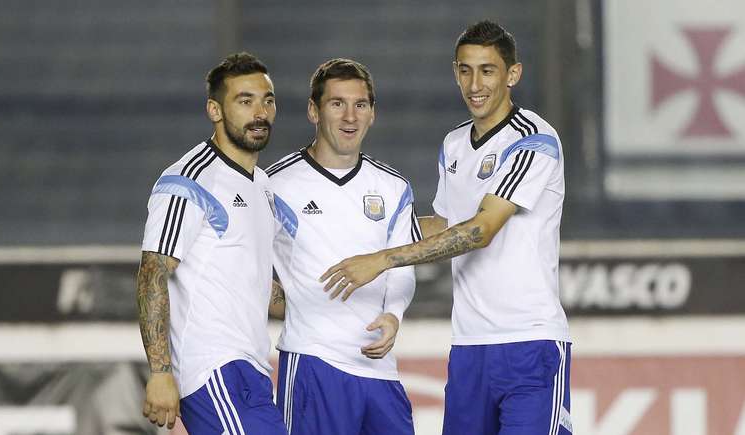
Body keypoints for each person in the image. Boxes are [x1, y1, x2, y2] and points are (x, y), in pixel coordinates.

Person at [321, 20, 573, 435]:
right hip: (469, 348)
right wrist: (355, 234)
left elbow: (480, 230)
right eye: (465, 70)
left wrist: (382, 259)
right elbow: (443, 223)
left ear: (513, 75)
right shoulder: (454, 144)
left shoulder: (534, 140)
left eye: (487, 70)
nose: (474, 83)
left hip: (530, 344)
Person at [266, 58, 420, 435]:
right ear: (313, 111)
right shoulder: (273, 186)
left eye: (360, 105)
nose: (350, 116)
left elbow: (402, 268)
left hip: (380, 371)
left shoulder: (393, 187)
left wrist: (394, 314)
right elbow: (241, 261)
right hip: (314, 366)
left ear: (372, 114)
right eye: (337, 104)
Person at [136, 52, 287, 434]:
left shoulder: (263, 186)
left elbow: (252, 282)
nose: (260, 112)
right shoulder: (190, 180)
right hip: (213, 368)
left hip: (252, 366)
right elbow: (153, 271)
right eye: (245, 100)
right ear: (214, 111)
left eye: (267, 100)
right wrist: (160, 373)